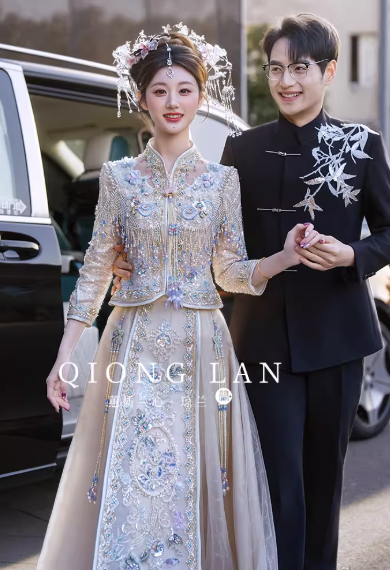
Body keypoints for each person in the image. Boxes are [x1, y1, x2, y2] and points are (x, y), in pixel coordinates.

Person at [36, 24, 323, 570]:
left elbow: (230, 271)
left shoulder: (221, 182)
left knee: (193, 473)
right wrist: (64, 354)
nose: (173, 102)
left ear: (200, 96)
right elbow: (95, 269)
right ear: (141, 97)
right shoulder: (118, 179)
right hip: (133, 343)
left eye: (185, 89)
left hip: (201, 344)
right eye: (160, 90)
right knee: (136, 476)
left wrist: (284, 257)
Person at [113, 13, 390, 570]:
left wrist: (353, 256)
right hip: (262, 341)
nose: (286, 81)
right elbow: (214, 243)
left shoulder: (362, 145)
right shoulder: (241, 150)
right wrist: (138, 259)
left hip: (339, 339)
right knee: (276, 481)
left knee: (324, 482)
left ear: (328, 71)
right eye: (276, 68)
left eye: (300, 68)